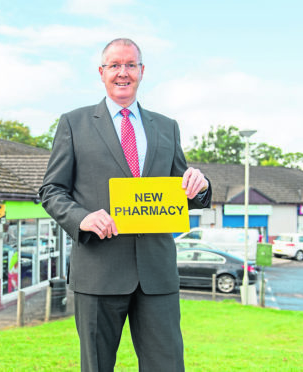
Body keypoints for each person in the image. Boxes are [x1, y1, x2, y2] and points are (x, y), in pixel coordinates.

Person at [39, 38, 212, 372]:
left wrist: (199, 187)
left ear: (142, 71)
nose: (123, 72)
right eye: (115, 65)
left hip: (156, 274)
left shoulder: (167, 127)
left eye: (130, 65)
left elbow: (179, 192)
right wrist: (82, 218)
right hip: (98, 271)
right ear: (101, 72)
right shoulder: (73, 124)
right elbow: (51, 190)